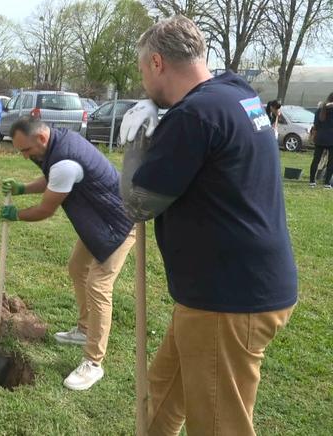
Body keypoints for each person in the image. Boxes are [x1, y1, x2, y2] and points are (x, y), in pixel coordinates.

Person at [118, 16, 297, 435]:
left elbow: (138, 204)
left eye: (144, 70)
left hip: (229, 299)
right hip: (221, 292)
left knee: (219, 425)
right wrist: (161, 108)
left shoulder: (193, 117)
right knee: (162, 395)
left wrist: (137, 144)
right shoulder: (234, 91)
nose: (144, 81)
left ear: (157, 63)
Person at [0, 116, 135, 391]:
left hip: (118, 223)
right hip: (99, 222)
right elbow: (52, 179)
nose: (24, 157)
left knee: (99, 286)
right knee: (77, 267)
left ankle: (93, 363)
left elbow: (46, 209)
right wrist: (23, 188)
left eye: (25, 150)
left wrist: (17, 214)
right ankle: (84, 329)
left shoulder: (64, 160)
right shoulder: (58, 145)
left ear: (41, 138)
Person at [309, 92, 333, 188]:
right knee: (331, 162)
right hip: (332, 138)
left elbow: (315, 125)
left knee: (316, 160)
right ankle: (327, 183)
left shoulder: (320, 109)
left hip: (320, 137)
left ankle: (312, 181)